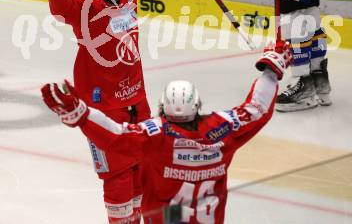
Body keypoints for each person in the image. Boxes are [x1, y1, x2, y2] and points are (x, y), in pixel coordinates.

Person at [40, 41, 292, 223]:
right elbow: (256, 109)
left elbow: (115, 135)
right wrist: (272, 70)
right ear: (197, 106)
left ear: (162, 107)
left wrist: (81, 114)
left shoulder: (157, 135)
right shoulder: (222, 128)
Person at [28, 0, 164, 223]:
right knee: (117, 175)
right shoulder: (86, 6)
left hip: (138, 101)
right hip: (102, 109)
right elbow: (61, 7)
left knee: (142, 169)